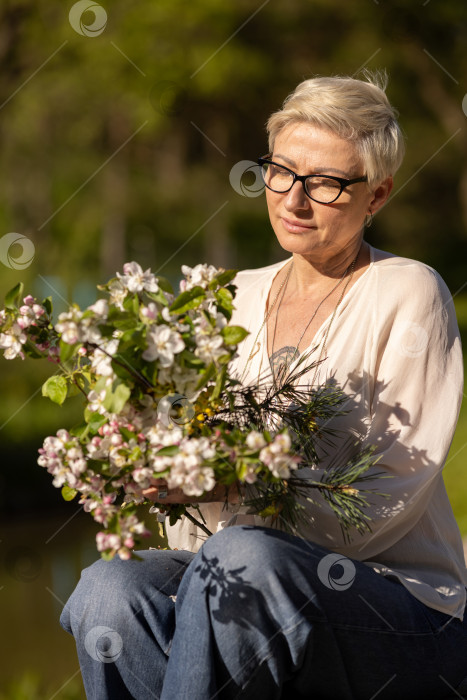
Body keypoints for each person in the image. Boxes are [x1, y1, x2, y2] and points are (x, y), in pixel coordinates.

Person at [60, 73, 467, 699]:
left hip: (397, 607)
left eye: (326, 183)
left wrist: (230, 482)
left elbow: (382, 501)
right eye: (281, 172)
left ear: (377, 195)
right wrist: (155, 466)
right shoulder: (231, 295)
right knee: (110, 589)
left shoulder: (409, 292)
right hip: (236, 574)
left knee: (242, 556)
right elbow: (196, 500)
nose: (293, 200)